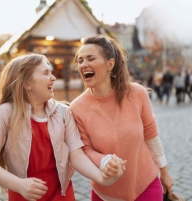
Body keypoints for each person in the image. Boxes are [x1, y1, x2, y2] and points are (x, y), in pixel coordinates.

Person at [0, 53, 123, 201]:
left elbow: (77, 156)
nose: (53, 78)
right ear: (27, 83)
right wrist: (19, 185)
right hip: (23, 196)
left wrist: (102, 178)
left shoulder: (64, 112)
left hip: (62, 196)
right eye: (46, 73)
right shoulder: (6, 113)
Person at [71, 35, 174, 201]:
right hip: (104, 192)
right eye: (80, 60)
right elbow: (86, 149)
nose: (83, 65)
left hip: (146, 184)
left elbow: (151, 136)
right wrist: (104, 161)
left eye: (90, 58)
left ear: (110, 64)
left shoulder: (136, 93)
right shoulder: (77, 107)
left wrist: (165, 172)